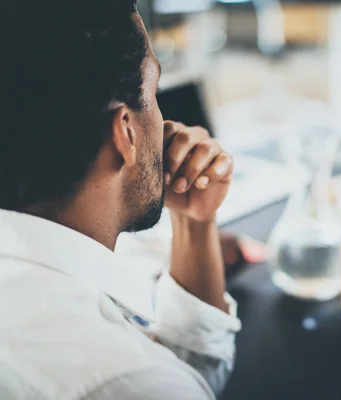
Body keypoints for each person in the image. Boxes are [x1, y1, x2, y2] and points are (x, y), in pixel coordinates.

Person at [0, 1, 240, 399]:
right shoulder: (128, 381)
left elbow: (183, 375)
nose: (164, 123)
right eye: (153, 91)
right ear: (125, 132)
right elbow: (161, 382)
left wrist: (194, 222)